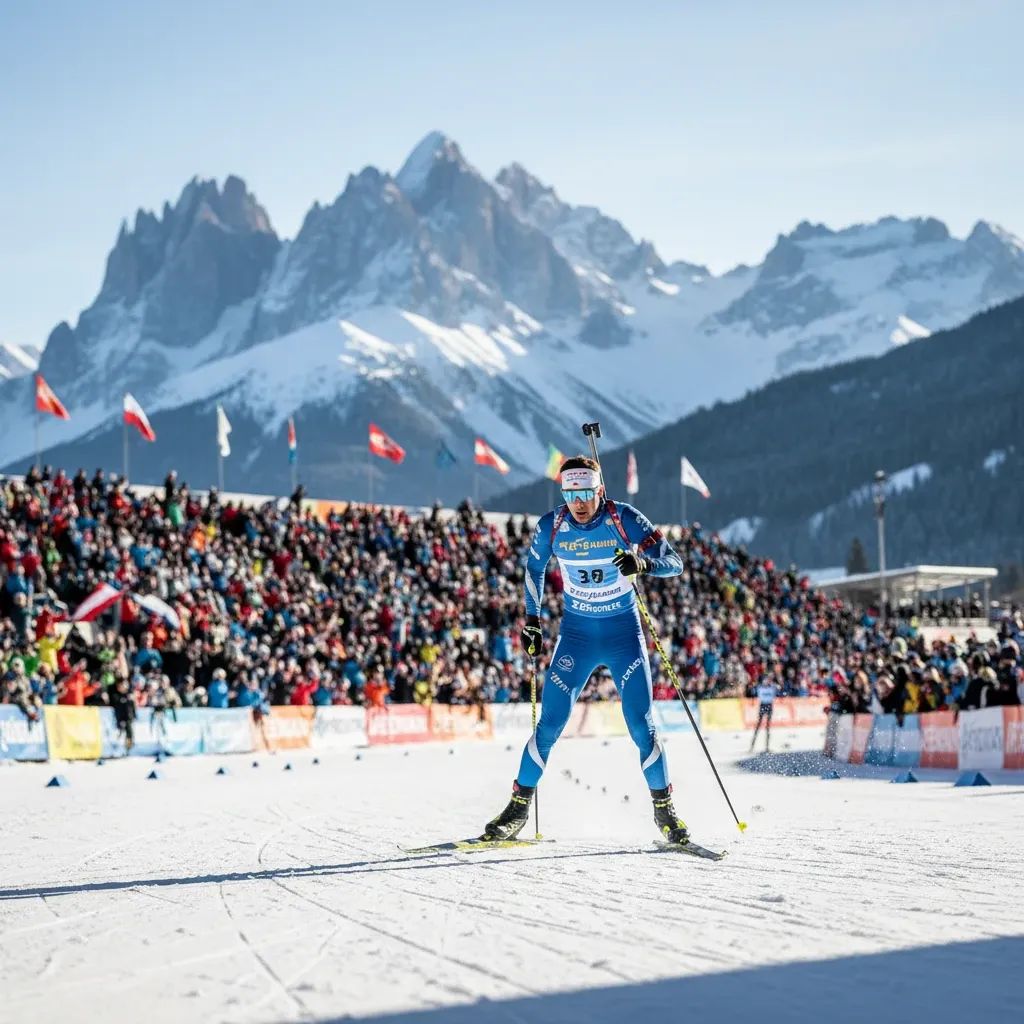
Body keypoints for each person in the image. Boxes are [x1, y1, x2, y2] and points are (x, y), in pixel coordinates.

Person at [482, 455, 687, 843]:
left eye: (586, 493)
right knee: (548, 726)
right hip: (576, 637)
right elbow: (533, 570)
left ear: (600, 489)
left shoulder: (623, 518)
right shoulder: (552, 525)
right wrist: (532, 620)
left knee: (641, 727)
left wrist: (641, 564)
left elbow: (673, 562)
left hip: (623, 635)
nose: (578, 502)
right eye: (570, 493)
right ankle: (517, 810)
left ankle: (665, 811)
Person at [749, 677, 777, 752]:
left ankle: (767, 747)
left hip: (769, 705)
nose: (766, 682)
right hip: (763, 705)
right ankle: (752, 746)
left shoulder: (772, 687)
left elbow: (777, 692)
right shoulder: (760, 687)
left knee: (767, 727)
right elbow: (753, 692)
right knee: (758, 725)